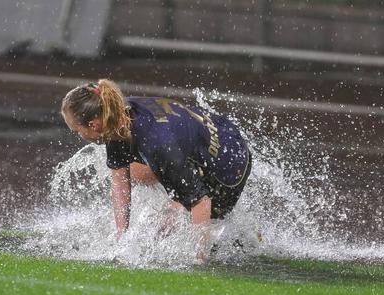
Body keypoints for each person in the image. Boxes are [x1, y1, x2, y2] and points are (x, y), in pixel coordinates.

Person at [60, 79, 252, 260]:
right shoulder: (115, 114)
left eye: (77, 131)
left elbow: (201, 202)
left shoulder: (158, 145)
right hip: (213, 130)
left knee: (169, 223)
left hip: (229, 167)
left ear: (93, 125)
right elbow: (120, 180)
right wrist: (121, 240)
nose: (79, 136)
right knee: (136, 172)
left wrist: (198, 260)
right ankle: (178, 198)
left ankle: (192, 219)